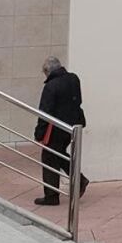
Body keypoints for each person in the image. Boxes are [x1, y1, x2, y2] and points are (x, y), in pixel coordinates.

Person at [34, 56, 89, 206]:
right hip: (73, 125)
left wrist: (39, 133)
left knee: (49, 157)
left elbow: (44, 112)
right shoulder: (73, 79)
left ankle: (52, 196)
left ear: (48, 71)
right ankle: (79, 180)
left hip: (57, 128)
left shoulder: (51, 86)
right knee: (59, 154)